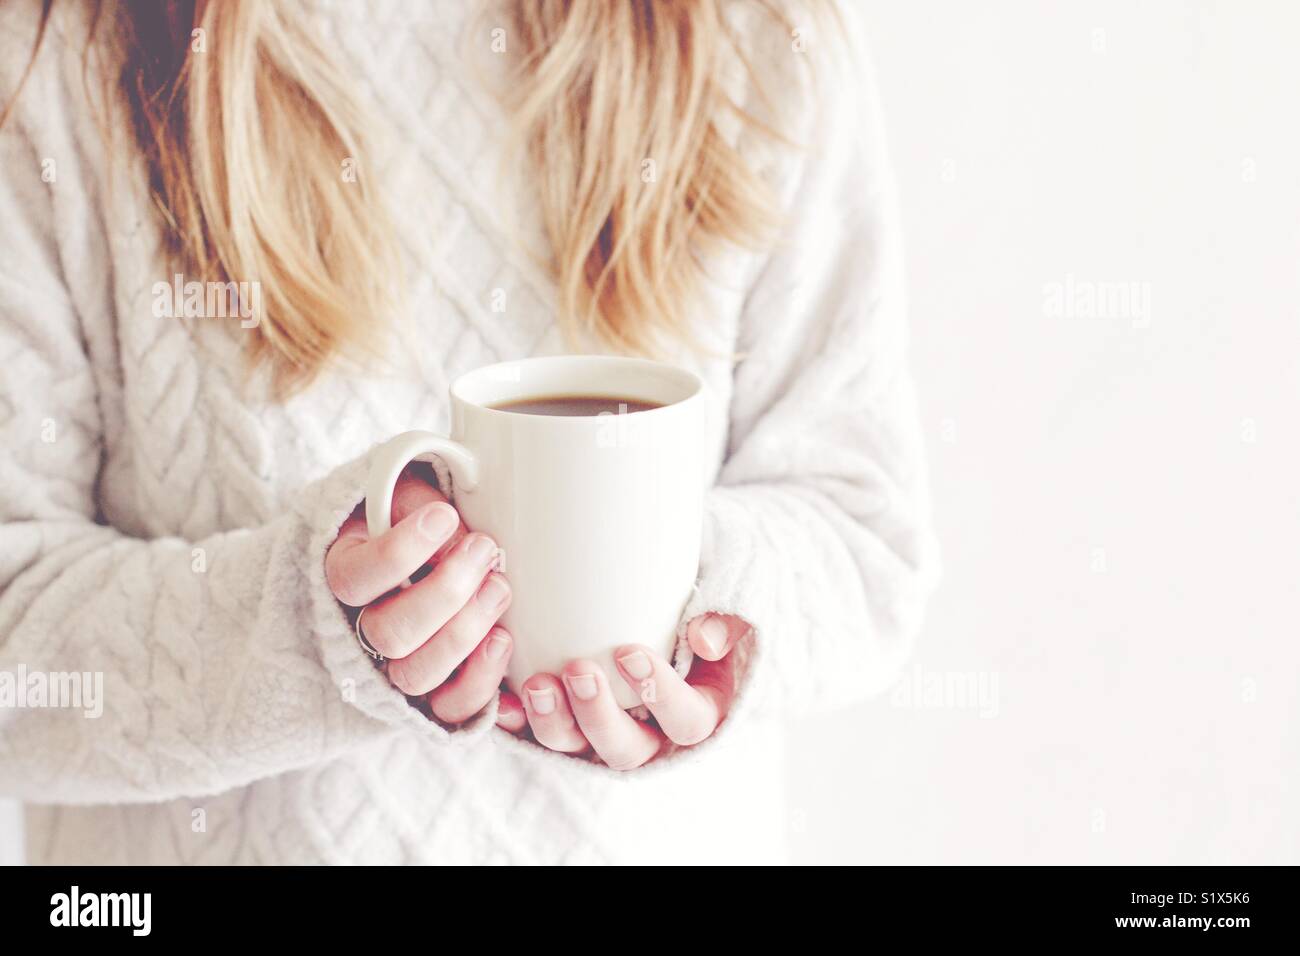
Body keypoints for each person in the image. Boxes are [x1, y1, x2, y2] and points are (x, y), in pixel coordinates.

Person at [0, 0, 936, 864]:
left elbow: (866, 541)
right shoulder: (54, 52)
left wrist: (691, 606)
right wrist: (306, 622)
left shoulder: (755, 34)